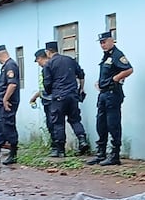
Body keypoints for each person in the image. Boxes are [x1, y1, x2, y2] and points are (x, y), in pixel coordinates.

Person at [87, 31, 133, 166]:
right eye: (101, 42)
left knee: (113, 124)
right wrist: (100, 82)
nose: (103, 45)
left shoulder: (117, 54)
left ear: (112, 40)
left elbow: (129, 69)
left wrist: (115, 79)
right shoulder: (106, 56)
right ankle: (101, 153)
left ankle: (115, 155)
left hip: (113, 94)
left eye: (105, 42)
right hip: (103, 94)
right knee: (101, 124)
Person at [43, 41, 91, 157]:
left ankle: (60, 151)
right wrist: (81, 89)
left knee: (58, 123)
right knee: (75, 120)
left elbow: (47, 83)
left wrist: (50, 92)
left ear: (48, 52)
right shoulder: (70, 60)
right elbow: (81, 75)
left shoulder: (49, 64)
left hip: (58, 96)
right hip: (72, 96)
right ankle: (82, 140)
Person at [29, 48, 56, 152]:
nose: (38, 63)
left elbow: (47, 87)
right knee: (50, 123)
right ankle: (54, 146)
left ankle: (56, 147)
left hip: (51, 99)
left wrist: (35, 96)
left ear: (40, 58)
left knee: (52, 123)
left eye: (37, 61)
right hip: (46, 98)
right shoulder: (45, 68)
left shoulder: (49, 68)